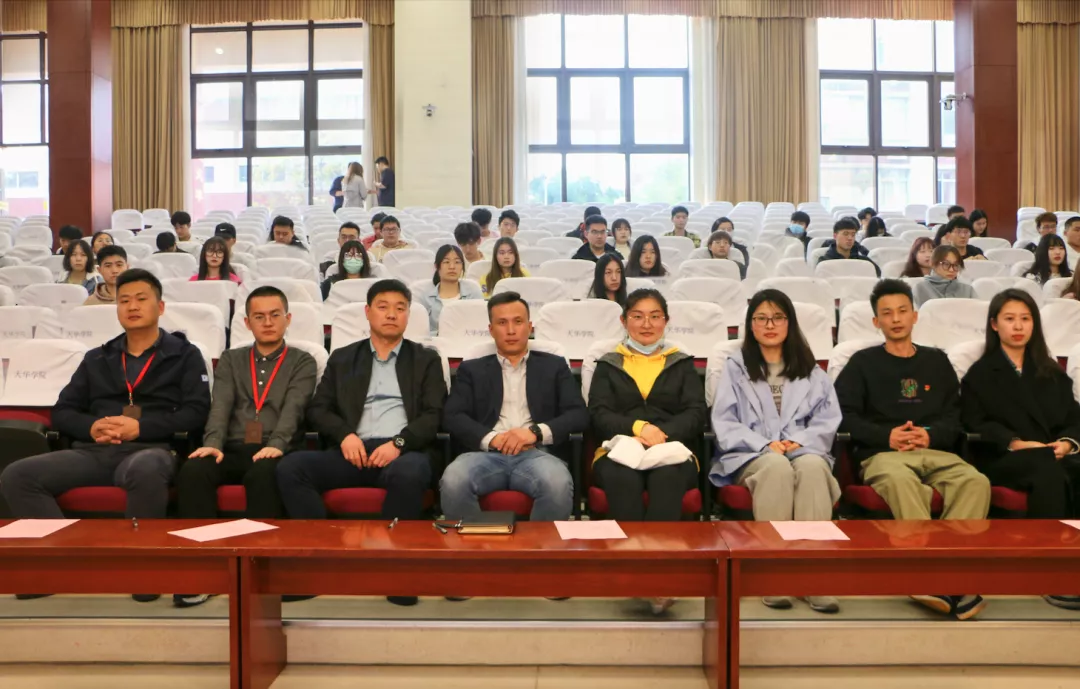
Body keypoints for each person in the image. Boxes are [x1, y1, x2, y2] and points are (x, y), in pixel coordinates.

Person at [276, 279, 446, 606]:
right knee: (292, 468)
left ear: (408, 315)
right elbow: (318, 409)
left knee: (410, 473)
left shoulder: (425, 359)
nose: (391, 314)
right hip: (352, 450)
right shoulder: (343, 358)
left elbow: (434, 414)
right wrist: (345, 435)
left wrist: (399, 443)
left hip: (402, 451)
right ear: (368, 312)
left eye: (400, 308)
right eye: (383, 307)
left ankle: (395, 574)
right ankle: (316, 569)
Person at [834, 279, 990, 620]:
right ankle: (927, 575)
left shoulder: (937, 361)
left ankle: (951, 576)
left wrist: (929, 436)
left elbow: (956, 417)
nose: (896, 319)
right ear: (876, 321)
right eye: (887, 313)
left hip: (935, 451)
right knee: (902, 482)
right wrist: (886, 436)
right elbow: (843, 416)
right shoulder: (861, 363)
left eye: (903, 311)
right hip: (883, 454)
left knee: (975, 481)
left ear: (915, 316)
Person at [0, 268, 210, 520]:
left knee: (145, 469)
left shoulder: (185, 355)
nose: (132, 306)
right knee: (17, 475)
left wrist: (140, 428)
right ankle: (65, 545)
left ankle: (139, 547)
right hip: (94, 451)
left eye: (141, 299)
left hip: (154, 449)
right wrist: (92, 427)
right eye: (124, 301)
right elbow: (63, 411)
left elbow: (196, 412)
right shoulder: (97, 357)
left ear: (161, 307)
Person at [711, 289, 841, 614]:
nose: (770, 325)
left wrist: (801, 440)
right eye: (761, 318)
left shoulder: (811, 370)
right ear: (750, 325)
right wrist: (763, 444)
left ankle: (814, 577)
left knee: (813, 468)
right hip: (750, 455)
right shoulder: (735, 367)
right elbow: (724, 421)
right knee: (776, 467)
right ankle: (772, 575)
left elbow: (827, 419)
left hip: (803, 450)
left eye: (778, 318)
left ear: (789, 323)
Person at [588, 288, 705, 618]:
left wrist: (661, 434)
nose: (646, 324)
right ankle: (636, 574)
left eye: (655, 316)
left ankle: (659, 576)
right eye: (637, 316)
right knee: (623, 480)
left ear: (666, 321)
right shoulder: (608, 363)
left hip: (670, 450)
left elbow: (696, 413)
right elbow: (598, 414)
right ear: (623, 321)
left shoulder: (682, 363)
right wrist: (638, 428)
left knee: (667, 479)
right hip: (619, 450)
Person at [961, 289, 1080, 610]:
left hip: (1053, 454)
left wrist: (1067, 443)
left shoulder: (1051, 371)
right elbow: (974, 423)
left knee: (1060, 465)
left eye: (1025, 319)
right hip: (1003, 458)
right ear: (994, 324)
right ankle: (1050, 574)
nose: (1018, 326)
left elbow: (1073, 417)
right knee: (1044, 467)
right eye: (1010, 319)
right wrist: (1015, 442)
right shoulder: (981, 373)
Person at [441, 291, 587, 523]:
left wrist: (534, 432)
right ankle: (474, 545)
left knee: (557, 483)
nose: (511, 330)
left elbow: (578, 414)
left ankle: (538, 547)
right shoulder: (472, 369)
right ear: (491, 330)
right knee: (454, 479)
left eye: (518, 322)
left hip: (537, 453)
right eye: (502, 323)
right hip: (485, 454)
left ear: (530, 327)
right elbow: (452, 415)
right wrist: (493, 438)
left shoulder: (554, 366)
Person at [181, 287, 317, 530]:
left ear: (288, 319)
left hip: (278, 450)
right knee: (194, 470)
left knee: (263, 474)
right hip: (232, 447)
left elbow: (294, 409)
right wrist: (213, 443)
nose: (268, 322)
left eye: (275, 315)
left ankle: (258, 549)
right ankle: (202, 549)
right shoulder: (231, 359)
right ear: (247, 322)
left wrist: (276, 445)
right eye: (259, 316)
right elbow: (220, 405)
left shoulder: (302, 361)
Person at [416, 245, 483, 335]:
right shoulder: (425, 298)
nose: (452, 266)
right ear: (436, 266)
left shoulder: (473, 293)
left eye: (457, 262)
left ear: (462, 266)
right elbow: (420, 332)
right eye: (446, 262)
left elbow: (481, 324)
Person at [912, 245, 976, 307]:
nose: (951, 269)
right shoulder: (920, 289)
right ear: (933, 263)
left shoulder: (968, 290)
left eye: (956, 265)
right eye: (946, 264)